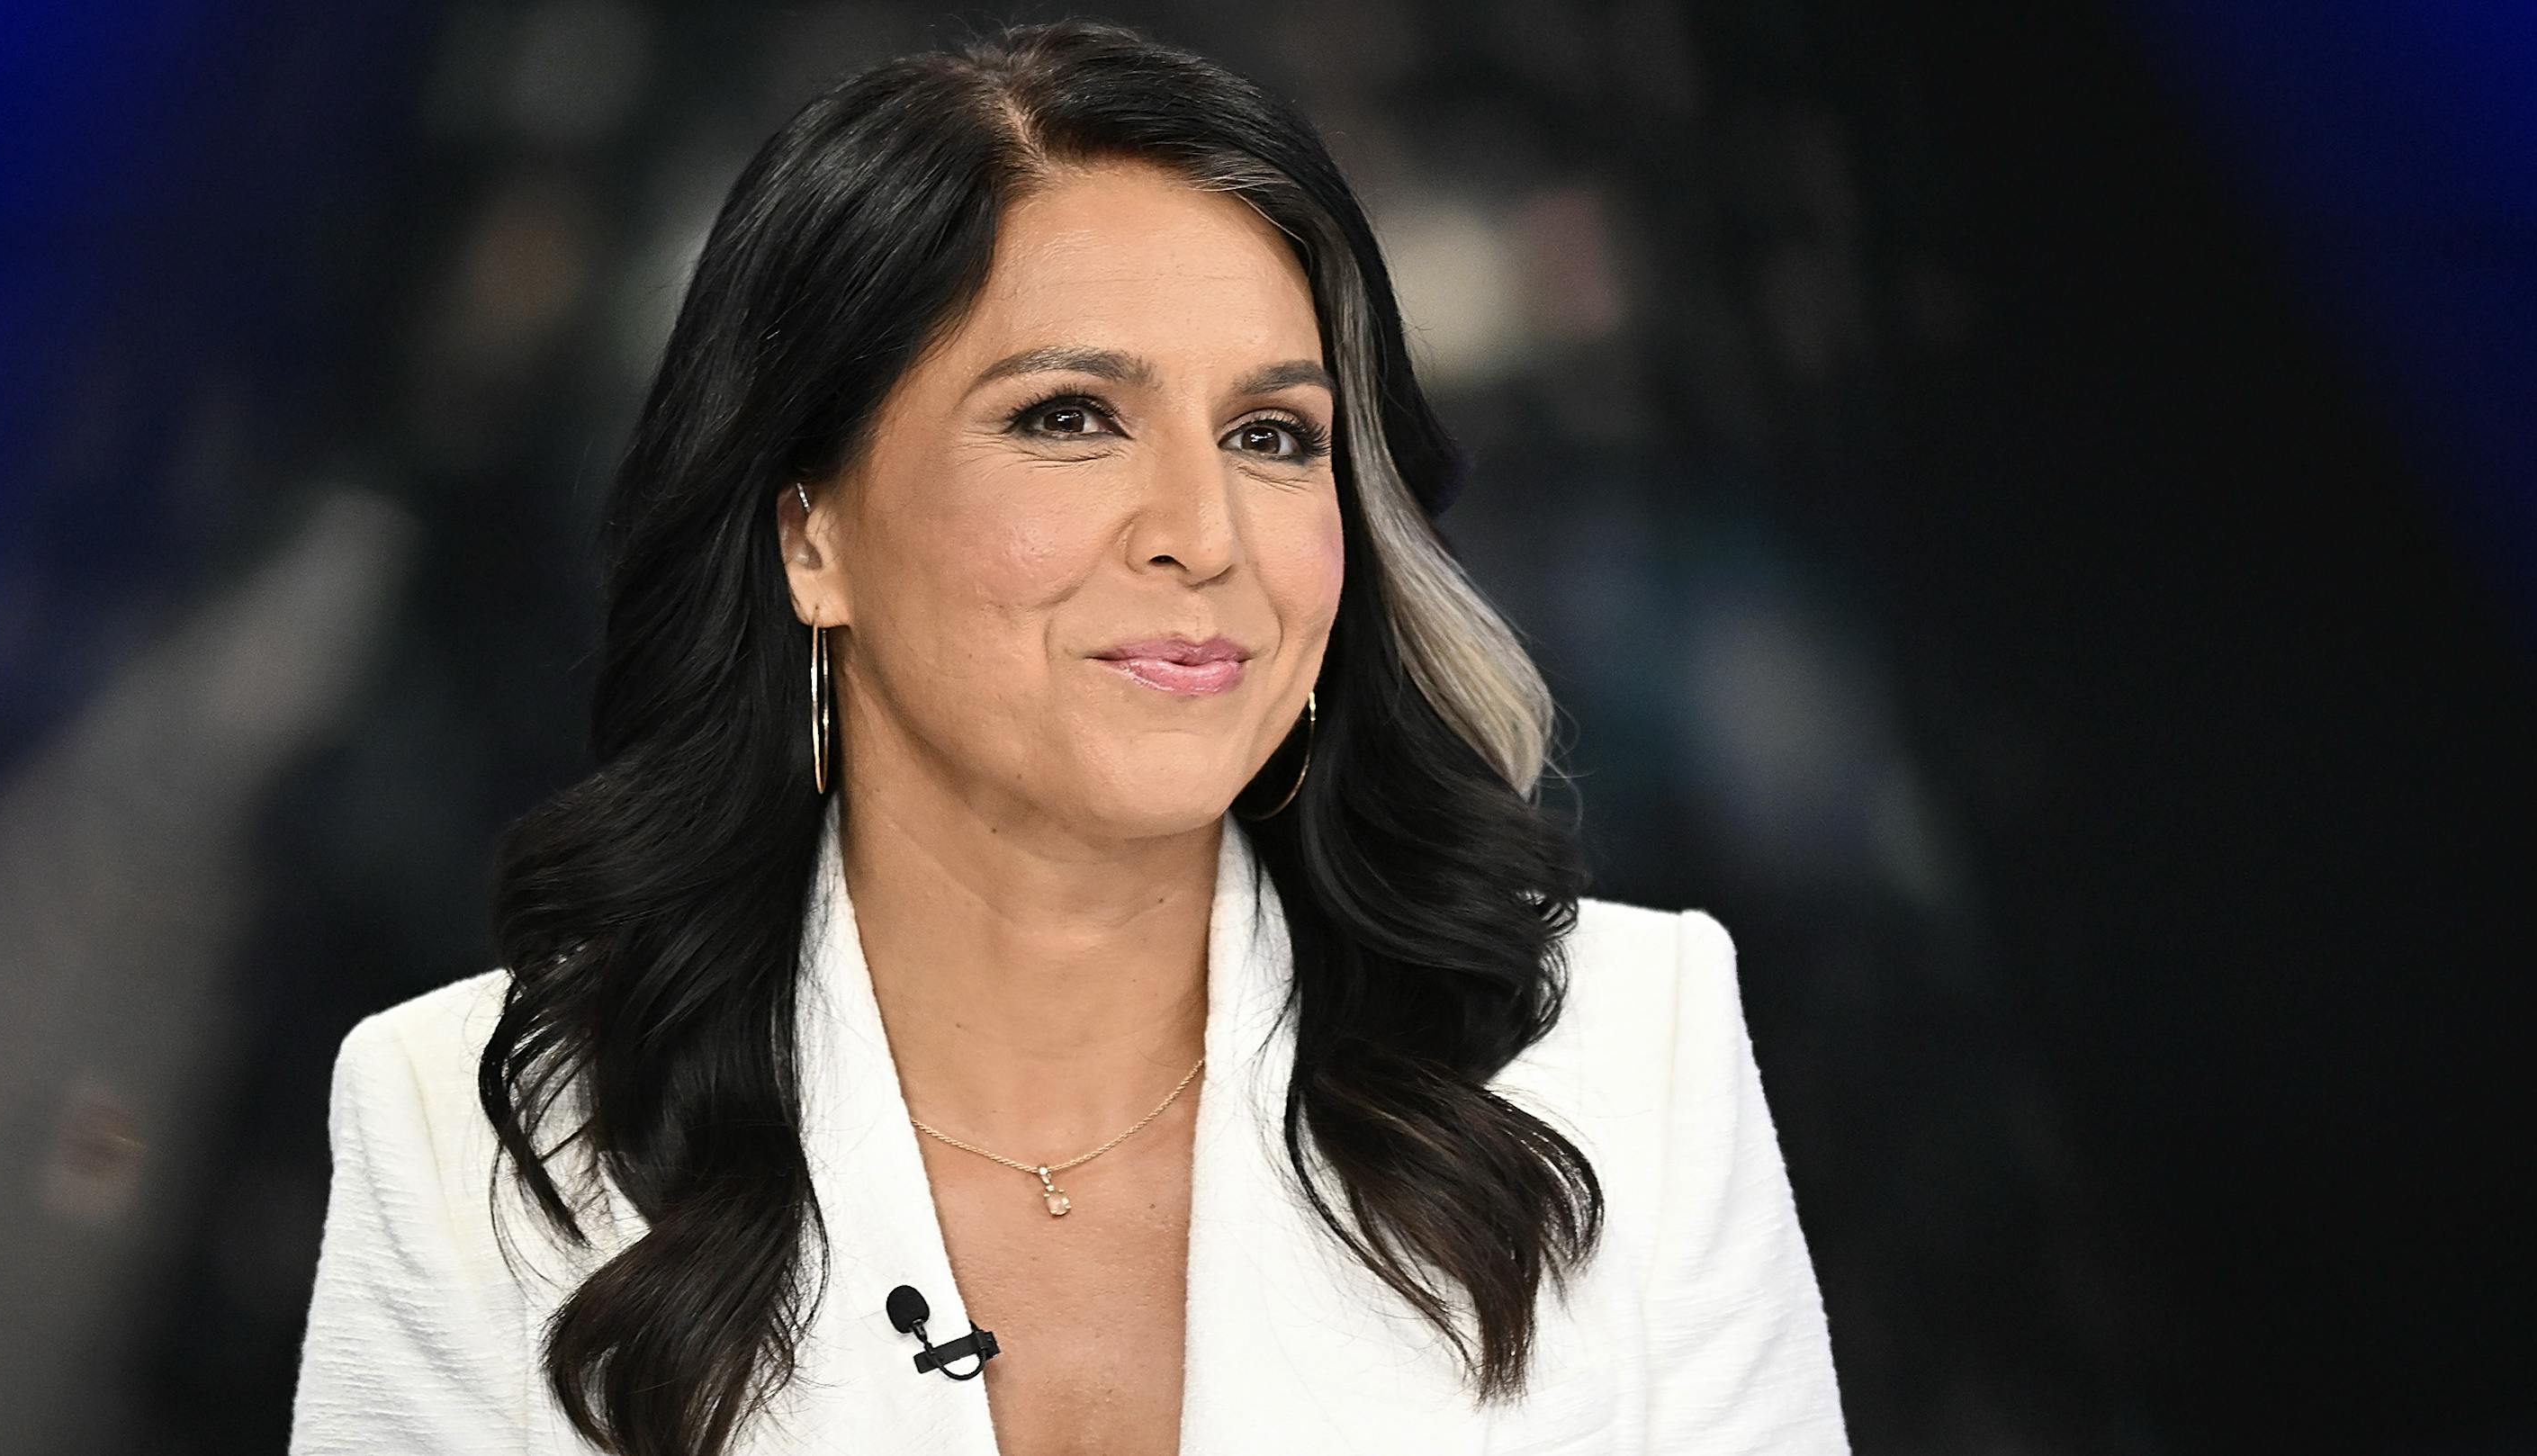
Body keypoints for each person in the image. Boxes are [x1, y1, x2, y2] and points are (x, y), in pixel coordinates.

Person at [288, 18, 1845, 1456]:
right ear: (810, 534)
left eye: (1272, 436)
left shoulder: (1633, 1060)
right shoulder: (470, 1139)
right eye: (1069, 417)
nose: (1203, 533)